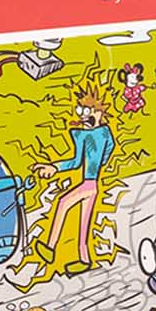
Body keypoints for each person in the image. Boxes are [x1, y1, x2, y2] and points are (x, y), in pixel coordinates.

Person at [31, 85, 116, 274]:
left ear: (98, 112)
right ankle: (84, 259)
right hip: (92, 184)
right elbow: (103, 151)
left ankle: (50, 248)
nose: (83, 116)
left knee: (63, 203)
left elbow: (76, 162)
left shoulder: (94, 134)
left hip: (88, 184)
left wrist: (54, 167)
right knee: (83, 222)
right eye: (80, 111)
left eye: (87, 111)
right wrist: (98, 164)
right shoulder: (96, 133)